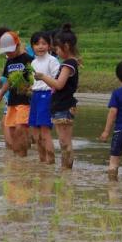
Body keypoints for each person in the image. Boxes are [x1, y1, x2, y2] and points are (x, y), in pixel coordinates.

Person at [34, 24, 81, 169]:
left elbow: (59, 84)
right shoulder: (71, 63)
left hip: (64, 106)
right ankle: (66, 169)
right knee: (65, 142)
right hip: (63, 105)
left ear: (66, 46)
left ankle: (66, 170)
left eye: (58, 49)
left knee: (64, 142)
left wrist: (42, 77)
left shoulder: (68, 64)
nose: (57, 52)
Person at [0, 31, 32, 156]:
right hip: (12, 101)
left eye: (9, 51)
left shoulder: (28, 59)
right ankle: (17, 160)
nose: (8, 54)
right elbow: (8, 81)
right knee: (11, 130)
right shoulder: (9, 62)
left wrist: (29, 87)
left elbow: (34, 79)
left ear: (17, 45)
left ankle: (23, 154)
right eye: (6, 52)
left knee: (20, 128)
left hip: (25, 101)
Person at [29, 31, 60, 164]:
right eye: (37, 44)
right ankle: (42, 161)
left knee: (45, 131)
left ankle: (51, 162)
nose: (40, 46)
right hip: (35, 96)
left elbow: (56, 79)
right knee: (35, 133)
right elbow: (34, 82)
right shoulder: (33, 63)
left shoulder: (52, 60)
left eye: (43, 43)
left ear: (49, 45)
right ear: (32, 46)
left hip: (47, 96)